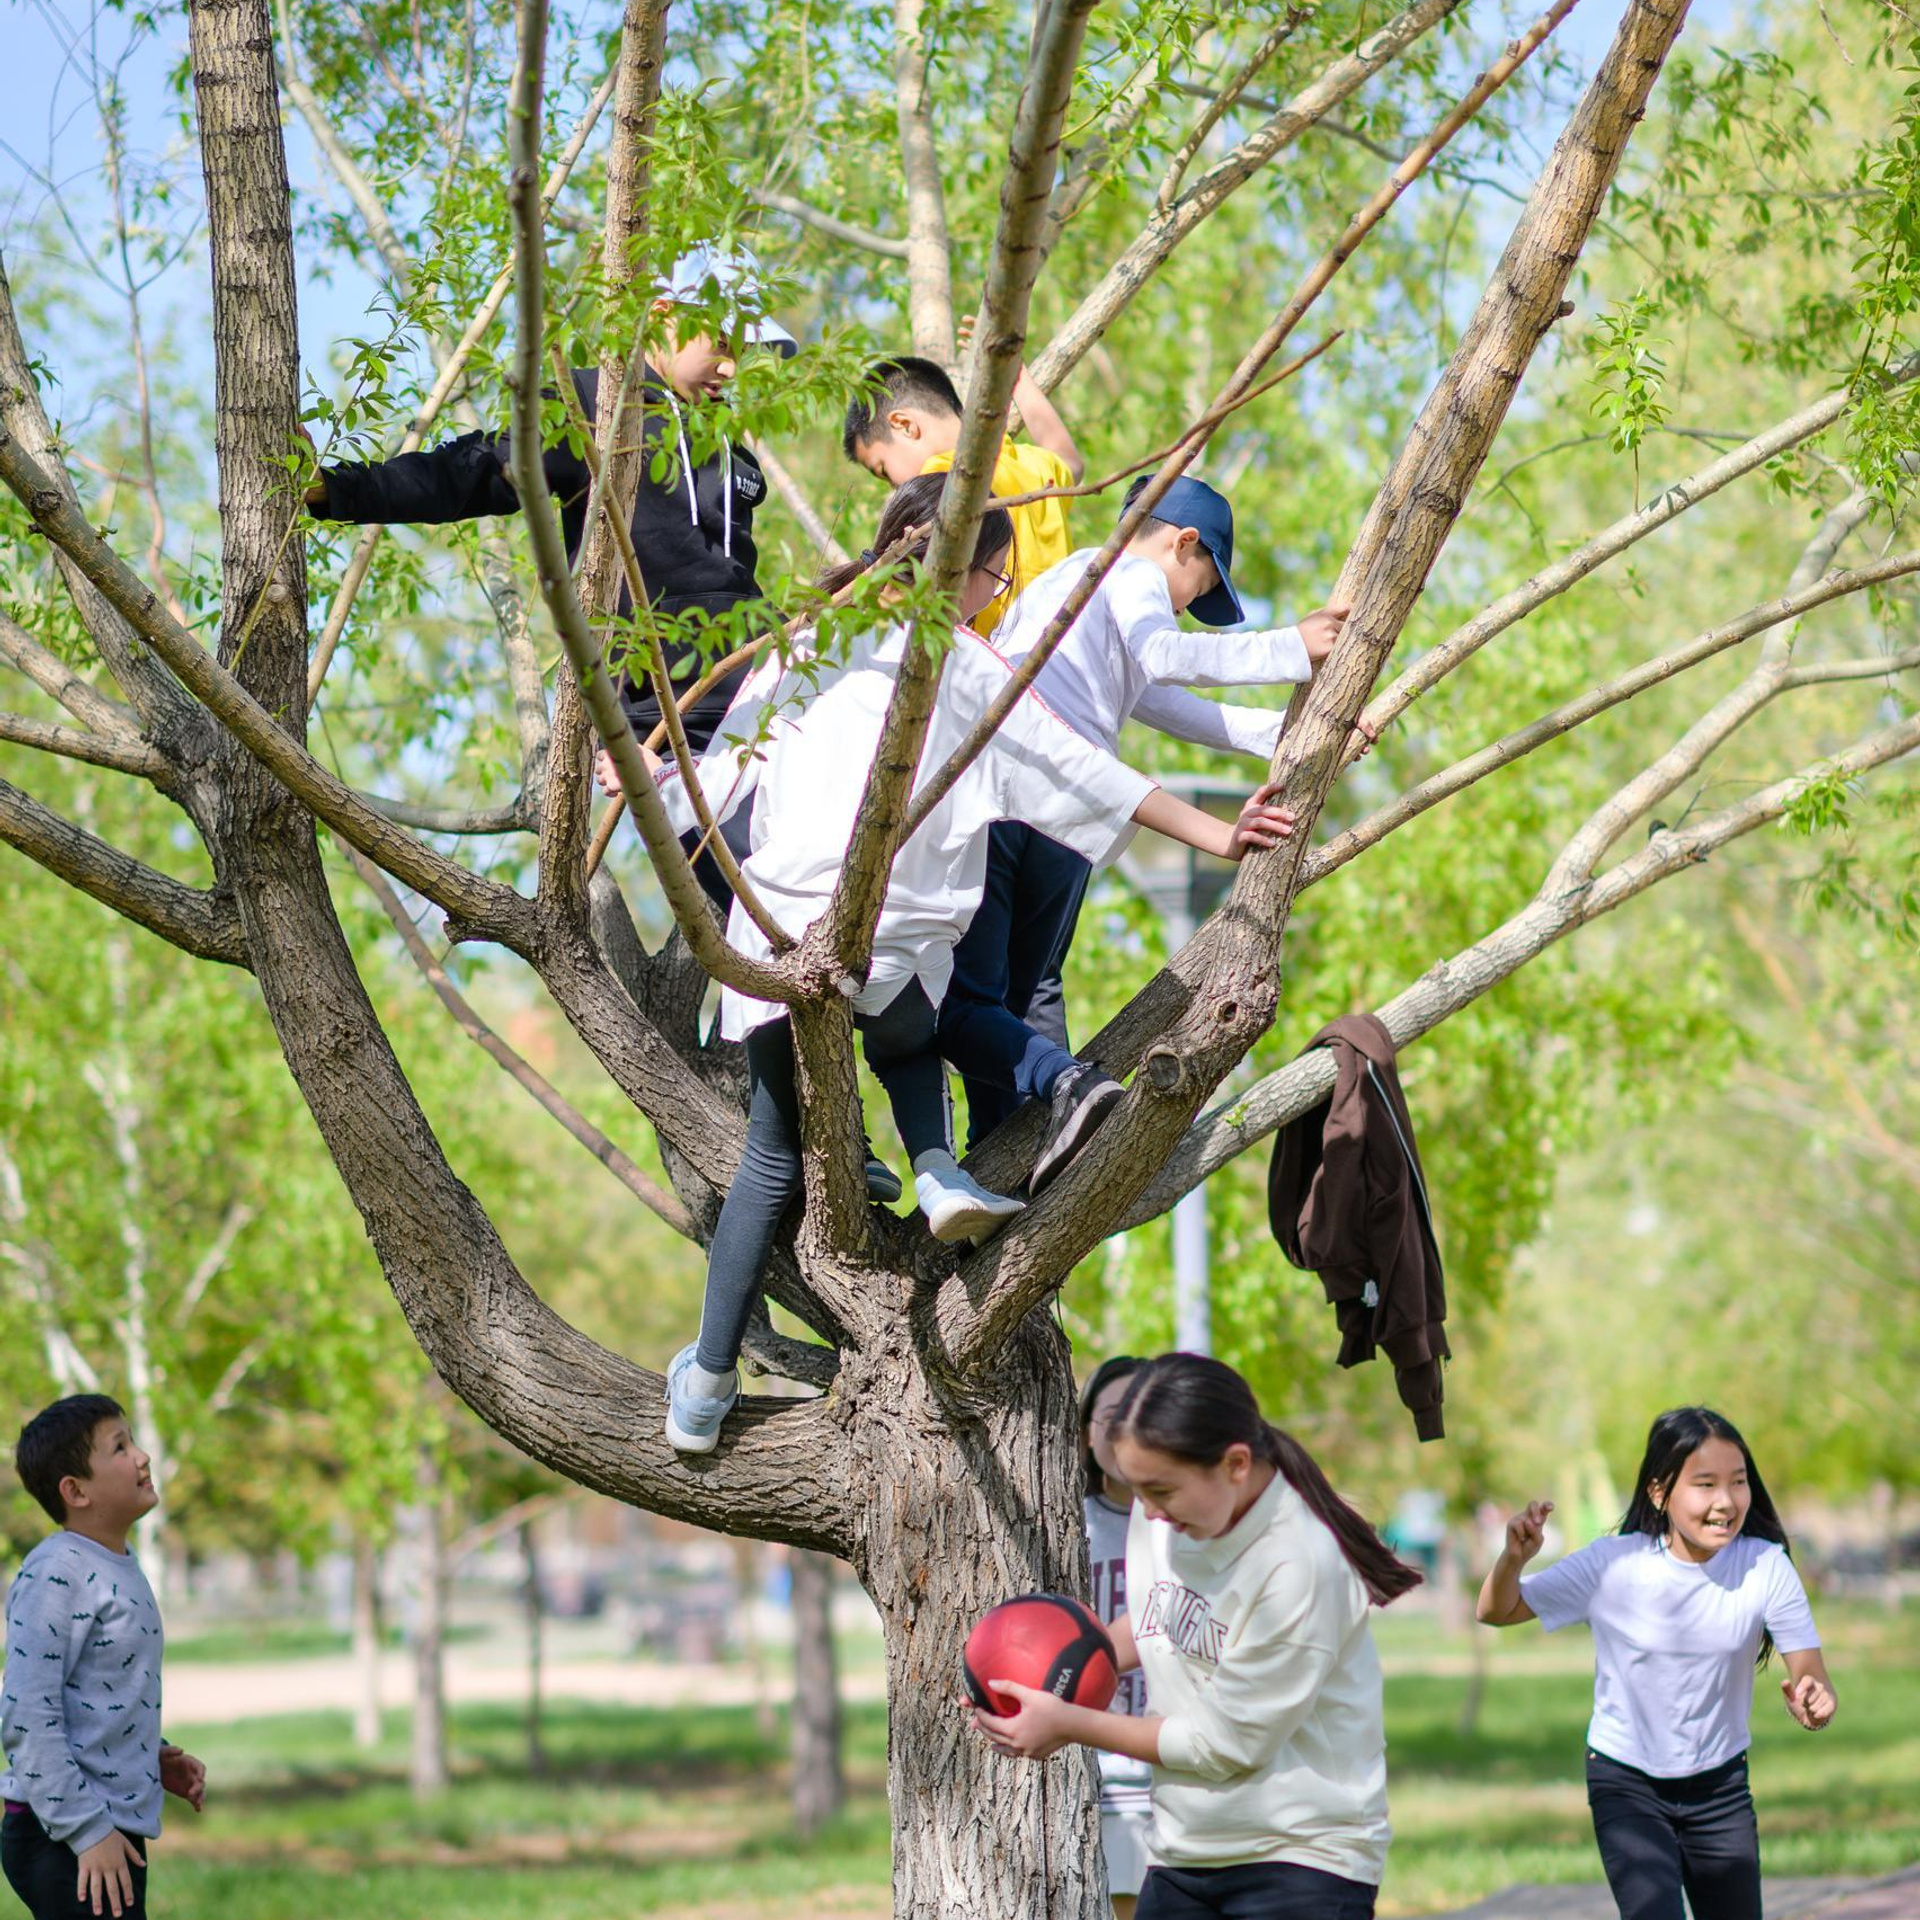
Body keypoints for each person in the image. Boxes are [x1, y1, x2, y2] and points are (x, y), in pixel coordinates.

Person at [652, 488, 1299, 1452]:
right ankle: (938, 1163)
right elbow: (1084, 770)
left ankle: (702, 1390)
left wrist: (658, 798)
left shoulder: (802, 640)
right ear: (964, 568)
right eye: (995, 580)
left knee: (770, 1160)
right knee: (916, 1018)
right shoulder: (967, 664)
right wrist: (1216, 832)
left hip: (785, 933)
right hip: (893, 947)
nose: (998, 600)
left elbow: (721, 776)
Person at [305, 244, 794, 896]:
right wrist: (335, 492)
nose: (733, 367)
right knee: (758, 898)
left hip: (769, 692)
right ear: (662, 311)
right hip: (676, 716)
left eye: (747, 350)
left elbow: (733, 575)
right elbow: (470, 472)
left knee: (837, 869)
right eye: (723, 341)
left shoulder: (723, 440)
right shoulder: (595, 402)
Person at [940, 472, 1352, 1154]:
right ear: (1181, 543)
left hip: (1020, 805)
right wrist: (1288, 648)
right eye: (1202, 587)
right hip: (1057, 813)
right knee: (1027, 989)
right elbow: (1162, 661)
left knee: (985, 998)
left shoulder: (1066, 591)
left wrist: (1279, 735)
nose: (1190, 607)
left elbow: (1153, 695)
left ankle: (1005, 1146)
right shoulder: (1127, 572)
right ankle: (1028, 1143)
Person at [974, 1353, 1422, 1919]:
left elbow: (1223, 1744)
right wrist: (1030, 1677)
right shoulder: (1167, 1511)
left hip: (1303, 1861)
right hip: (1185, 1851)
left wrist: (1069, 1725)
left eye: (1162, 1491)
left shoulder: (1299, 1565)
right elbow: (1159, 1621)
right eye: (1140, 1492)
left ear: (1235, 1464)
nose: (1150, 1512)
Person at [1476, 1407, 1836, 1920]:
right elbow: (1495, 1610)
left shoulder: (1764, 1565)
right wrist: (1514, 1558)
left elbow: (1811, 1674)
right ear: (1659, 1492)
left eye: (1738, 1482)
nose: (1725, 1502)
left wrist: (1815, 1700)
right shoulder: (1613, 1564)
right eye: (1705, 1484)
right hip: (1626, 1781)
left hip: (1720, 1786)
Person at [1, 1397, 206, 1920]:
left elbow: (93, 1690)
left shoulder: (116, 1562)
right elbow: (26, 1715)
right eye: (120, 1447)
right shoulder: (56, 1573)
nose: (142, 1457)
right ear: (76, 1491)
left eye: (133, 1441)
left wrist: (146, 1756)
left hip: (106, 1827)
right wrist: (87, 1832)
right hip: (65, 1832)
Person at [841, 349, 1082, 633]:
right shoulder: (1029, 464)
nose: (894, 486)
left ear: (905, 425)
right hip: (1062, 651)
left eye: (883, 469)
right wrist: (1016, 372)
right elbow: (1070, 462)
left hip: (993, 664)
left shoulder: (940, 479)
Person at [1081, 1356, 1152, 1919]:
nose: (1127, 1428)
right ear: (1085, 1431)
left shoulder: (1185, 1529)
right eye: (1112, 1415)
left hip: (1171, 1768)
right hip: (1093, 1769)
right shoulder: (1067, 1523)